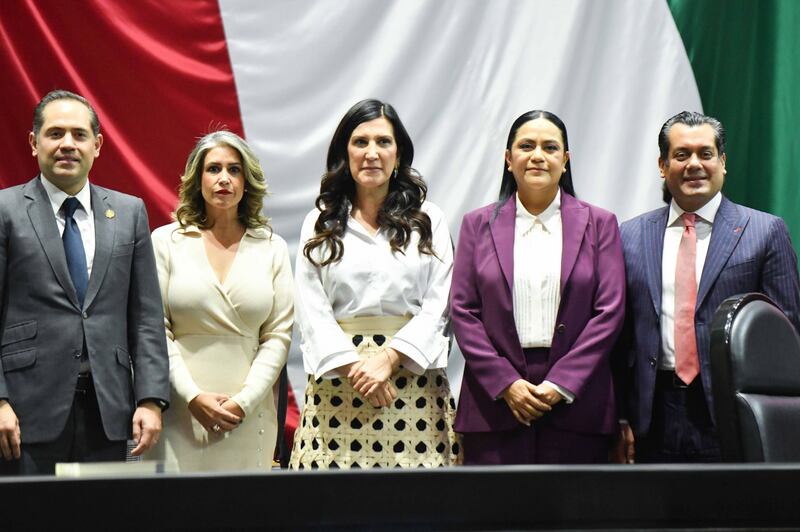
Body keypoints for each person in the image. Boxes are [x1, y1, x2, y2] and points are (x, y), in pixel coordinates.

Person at [615, 111, 800, 463]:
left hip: (736, 410)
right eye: (682, 154)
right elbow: (620, 339)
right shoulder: (630, 236)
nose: (694, 164)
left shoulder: (765, 232)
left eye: (705, 153)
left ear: (723, 162)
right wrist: (620, 417)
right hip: (653, 414)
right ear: (662, 165)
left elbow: (787, 334)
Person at [0, 90, 169, 475]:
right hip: (23, 414)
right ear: (34, 142)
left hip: (108, 412)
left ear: (97, 145)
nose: (67, 144)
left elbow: (146, 318)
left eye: (79, 134)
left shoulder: (129, 213)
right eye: (55, 133)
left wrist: (151, 399)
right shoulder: (5, 210)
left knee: (101, 510)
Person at [290, 99, 461, 469]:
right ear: (345, 153)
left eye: (383, 142)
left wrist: (388, 359)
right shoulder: (320, 222)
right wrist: (356, 369)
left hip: (412, 380)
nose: (372, 153)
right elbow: (311, 308)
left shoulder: (428, 219)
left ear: (398, 154)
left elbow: (440, 304)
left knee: (419, 499)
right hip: (338, 382)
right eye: (360, 142)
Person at [450, 110, 625, 464]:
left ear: (566, 160)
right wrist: (505, 383)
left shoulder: (600, 223)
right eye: (526, 146)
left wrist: (561, 383)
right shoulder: (476, 224)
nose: (538, 156)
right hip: (494, 405)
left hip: (578, 404)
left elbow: (609, 311)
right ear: (508, 158)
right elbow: (463, 311)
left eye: (550, 147)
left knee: (576, 502)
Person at [148, 131, 293, 471]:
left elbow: (278, 336)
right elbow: (154, 330)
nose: (224, 178)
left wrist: (244, 402)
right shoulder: (165, 242)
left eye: (234, 170)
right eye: (213, 169)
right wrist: (193, 397)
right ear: (197, 179)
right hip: (179, 411)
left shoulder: (272, 248)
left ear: (247, 181)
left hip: (250, 414)